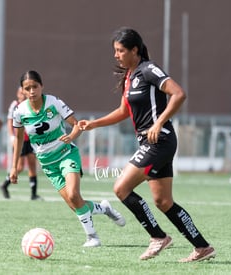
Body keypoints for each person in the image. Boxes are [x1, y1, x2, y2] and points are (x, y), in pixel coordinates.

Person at [78, 27, 216, 262]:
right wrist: (94, 124)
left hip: (159, 139)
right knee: (163, 201)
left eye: (120, 50)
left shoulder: (148, 70)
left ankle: (158, 237)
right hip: (151, 141)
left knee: (121, 188)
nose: (116, 55)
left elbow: (179, 94)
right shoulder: (130, 76)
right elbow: (124, 111)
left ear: (135, 50)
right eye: (115, 51)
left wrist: (158, 122)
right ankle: (202, 247)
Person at [8, 70, 126, 247]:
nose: (32, 91)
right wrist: (14, 166)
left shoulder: (54, 103)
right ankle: (105, 209)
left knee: (73, 194)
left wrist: (71, 136)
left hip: (66, 154)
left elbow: (76, 125)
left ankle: (93, 238)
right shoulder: (20, 111)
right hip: (48, 164)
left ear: (42, 86)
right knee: (75, 204)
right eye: (27, 88)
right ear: (23, 91)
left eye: (35, 86)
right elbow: (18, 139)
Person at [0, 87, 42, 200]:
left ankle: (33, 194)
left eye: (24, 92)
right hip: (20, 139)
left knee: (33, 165)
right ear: (17, 94)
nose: (22, 95)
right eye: (20, 93)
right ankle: (5, 184)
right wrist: (11, 136)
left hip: (31, 139)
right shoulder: (15, 104)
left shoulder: (31, 104)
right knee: (19, 167)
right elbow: (9, 120)